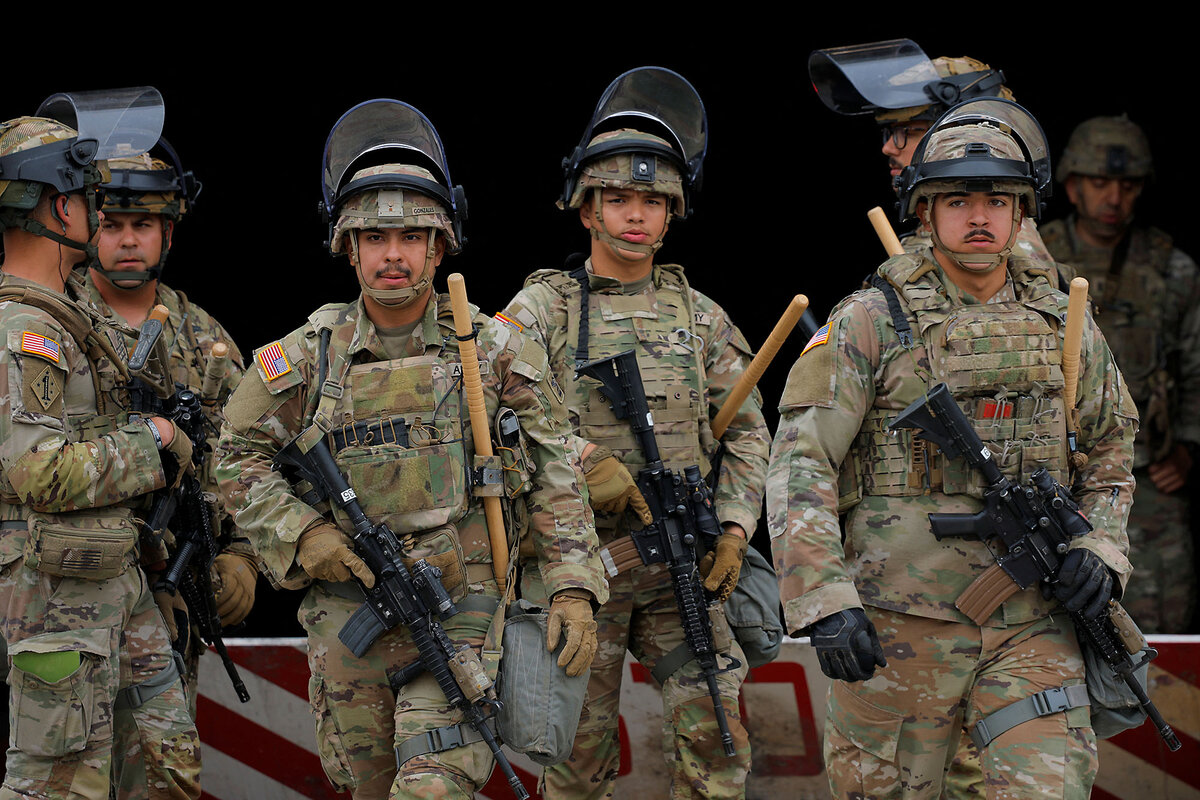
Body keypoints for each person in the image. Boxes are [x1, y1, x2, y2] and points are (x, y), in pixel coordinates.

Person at [215, 99, 606, 799]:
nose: (392, 254)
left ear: (439, 245)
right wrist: (304, 534)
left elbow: (555, 467)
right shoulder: (305, 359)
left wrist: (574, 585)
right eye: (372, 237)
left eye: (410, 236)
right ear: (348, 246)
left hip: (459, 611)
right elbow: (234, 458)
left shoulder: (492, 351)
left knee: (432, 787)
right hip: (348, 619)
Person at [767, 98, 1137, 799]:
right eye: (957, 199)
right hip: (900, 630)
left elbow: (1113, 442)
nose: (978, 216)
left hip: (1032, 625)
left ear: (1021, 214)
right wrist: (821, 595)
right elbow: (800, 459)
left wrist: (1103, 547)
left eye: (998, 199)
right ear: (924, 211)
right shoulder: (869, 321)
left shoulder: (1064, 322)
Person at [501, 67, 768, 799]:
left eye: (652, 201)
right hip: (582, 567)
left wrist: (738, 526)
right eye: (617, 198)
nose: (635, 216)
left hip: (680, 558)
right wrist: (582, 456)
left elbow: (748, 433)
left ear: (673, 212)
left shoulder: (700, 316)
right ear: (585, 210)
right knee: (575, 760)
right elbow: (483, 395)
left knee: (716, 737)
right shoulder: (544, 309)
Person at [0, 90, 200, 799]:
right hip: (56, 608)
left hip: (112, 587)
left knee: (168, 769)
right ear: (60, 208)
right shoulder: (23, 330)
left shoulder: (66, 319)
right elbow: (38, 472)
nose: (102, 215)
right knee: (59, 785)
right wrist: (153, 439)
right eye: (90, 197)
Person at [87, 142, 255, 794]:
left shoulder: (205, 345)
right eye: (112, 223)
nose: (128, 240)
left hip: (166, 604)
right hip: (60, 597)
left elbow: (243, 469)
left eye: (144, 225)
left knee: (163, 778)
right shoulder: (53, 325)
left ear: (169, 231)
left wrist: (241, 557)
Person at [1040, 115, 1200, 633]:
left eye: (1127, 186)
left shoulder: (1171, 270)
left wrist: (1189, 448)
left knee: (1161, 625)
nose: (1114, 198)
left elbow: (1195, 366)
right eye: (1100, 183)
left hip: (1145, 477)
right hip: (1052, 474)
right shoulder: (1033, 261)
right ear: (1071, 185)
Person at [809, 39, 1057, 266]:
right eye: (890, 132)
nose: (888, 147)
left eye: (911, 131)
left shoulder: (1004, 244)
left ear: (967, 136)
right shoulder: (944, 230)